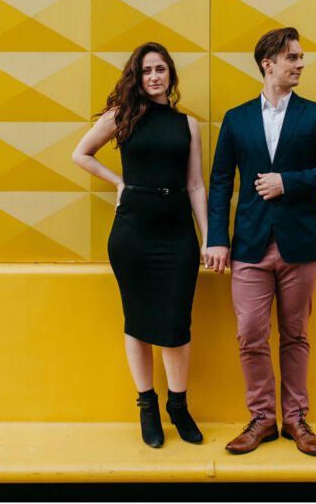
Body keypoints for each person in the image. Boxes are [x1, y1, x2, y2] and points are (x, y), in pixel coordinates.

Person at [205, 27, 316, 457]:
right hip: (249, 244)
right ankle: (262, 418)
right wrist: (216, 239)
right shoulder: (237, 119)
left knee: (295, 333)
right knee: (250, 334)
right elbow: (219, 183)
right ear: (269, 64)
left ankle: (296, 418)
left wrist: (288, 182)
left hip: (300, 244)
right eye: (293, 57)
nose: (301, 64)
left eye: (301, 57)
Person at [72, 42, 208, 448]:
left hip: (177, 233)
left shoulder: (188, 125)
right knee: (137, 321)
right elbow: (80, 154)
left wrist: (209, 237)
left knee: (176, 324)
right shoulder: (122, 117)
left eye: (161, 69)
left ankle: (178, 406)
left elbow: (196, 184)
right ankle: (147, 406)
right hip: (133, 232)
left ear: (171, 75)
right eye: (147, 70)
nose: (154, 76)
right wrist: (118, 183)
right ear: (138, 75)